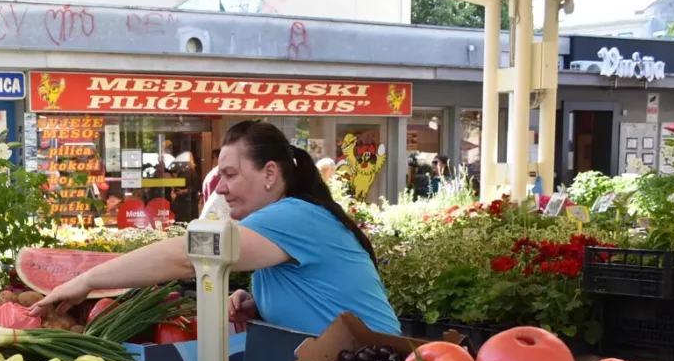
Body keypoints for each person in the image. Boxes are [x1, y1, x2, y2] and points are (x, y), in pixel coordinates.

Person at [32, 120, 399, 337]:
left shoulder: (293, 216)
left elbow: (186, 256)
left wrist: (87, 280)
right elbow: (323, 293)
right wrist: (260, 305)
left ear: (270, 173)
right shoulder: (288, 219)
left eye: (230, 174)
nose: (220, 188)